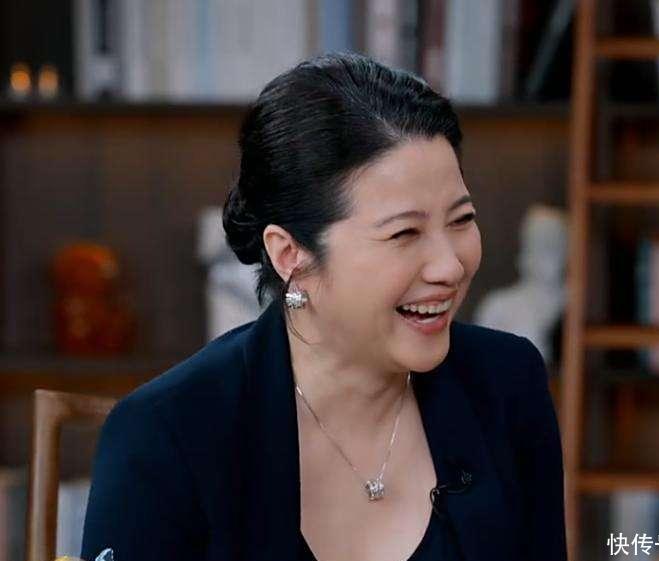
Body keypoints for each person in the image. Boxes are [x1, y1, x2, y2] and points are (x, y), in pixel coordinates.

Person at [81, 52, 567, 561]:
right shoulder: (167, 434)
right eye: (405, 233)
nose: (450, 266)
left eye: (462, 220)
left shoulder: (507, 382)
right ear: (290, 255)